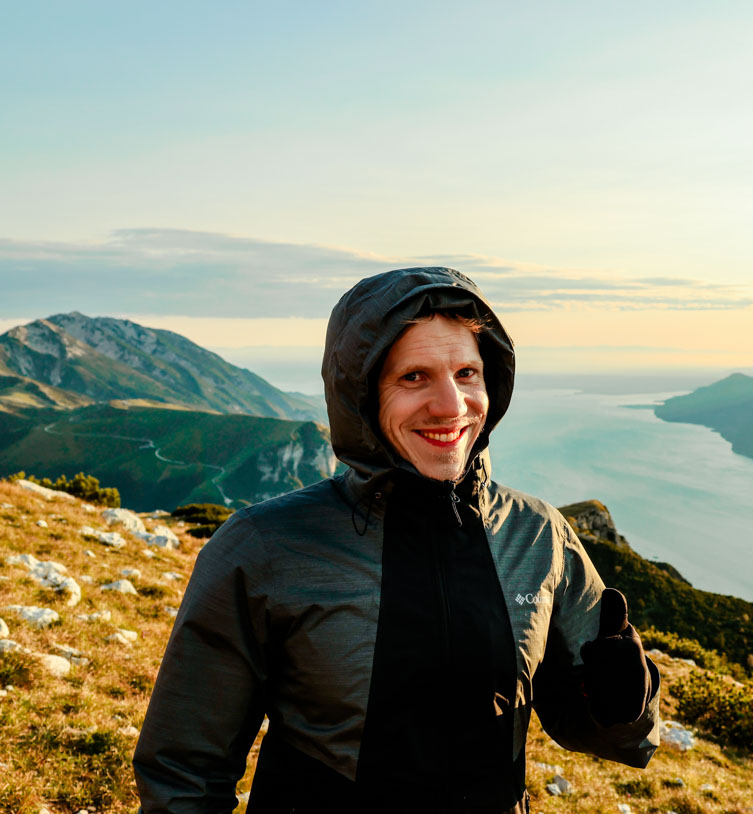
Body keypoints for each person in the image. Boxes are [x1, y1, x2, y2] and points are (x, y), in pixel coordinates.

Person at [133, 266, 660, 813]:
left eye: (466, 373)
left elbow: (615, 738)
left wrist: (621, 704)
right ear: (361, 395)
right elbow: (183, 772)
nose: (451, 405)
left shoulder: (538, 535)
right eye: (414, 377)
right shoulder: (266, 547)